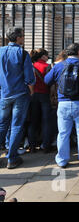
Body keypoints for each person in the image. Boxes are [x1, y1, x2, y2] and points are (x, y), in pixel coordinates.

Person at [44, 43, 79, 168]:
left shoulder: (59, 66)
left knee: (63, 132)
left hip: (63, 102)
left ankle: (62, 159)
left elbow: (47, 80)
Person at [0, 27, 35, 169]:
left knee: (2, 125)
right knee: (16, 125)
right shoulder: (22, 53)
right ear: (19, 38)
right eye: (23, 36)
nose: (24, 38)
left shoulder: (0, 51)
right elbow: (29, 78)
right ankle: (12, 158)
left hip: (4, 93)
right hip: (20, 93)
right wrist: (31, 90)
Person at [27, 48, 53, 153]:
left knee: (33, 121)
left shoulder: (31, 67)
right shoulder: (47, 67)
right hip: (45, 95)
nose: (48, 58)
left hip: (33, 95)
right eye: (47, 56)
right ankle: (46, 146)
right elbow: (51, 82)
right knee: (46, 121)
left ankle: (32, 146)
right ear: (43, 56)